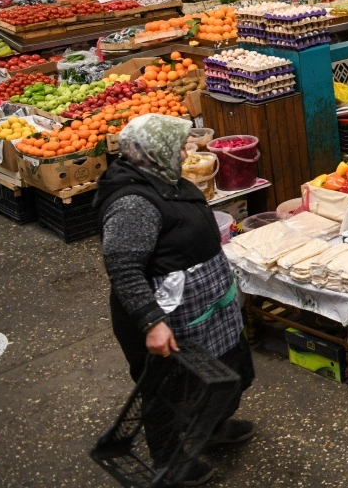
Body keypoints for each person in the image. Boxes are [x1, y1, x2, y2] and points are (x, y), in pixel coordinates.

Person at [98, 115, 255, 486]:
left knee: (231, 369)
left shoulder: (163, 178)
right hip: (169, 316)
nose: (186, 152)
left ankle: (214, 426)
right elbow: (123, 268)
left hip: (206, 309)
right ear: (154, 152)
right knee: (170, 393)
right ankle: (171, 462)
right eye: (178, 146)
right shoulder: (133, 203)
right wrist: (151, 322)